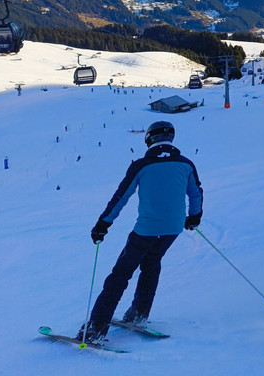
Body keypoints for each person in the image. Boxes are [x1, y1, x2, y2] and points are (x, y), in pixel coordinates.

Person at [78, 121, 202, 344]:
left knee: (120, 275)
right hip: (172, 229)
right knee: (151, 264)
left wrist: (103, 224)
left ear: (149, 139)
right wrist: (194, 217)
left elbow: (121, 197)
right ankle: (139, 314)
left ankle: (96, 329)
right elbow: (196, 193)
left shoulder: (142, 165)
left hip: (146, 229)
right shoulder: (186, 164)